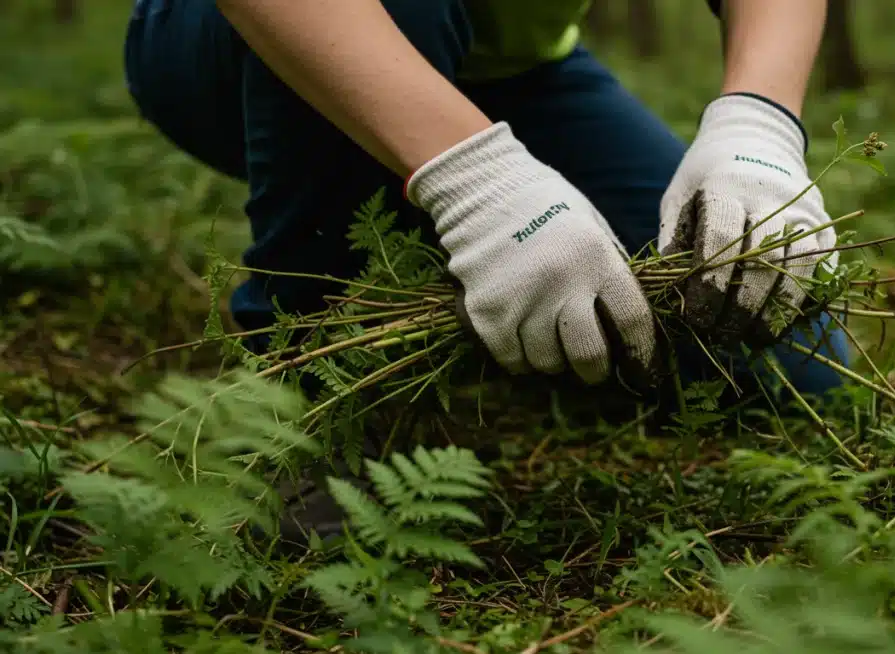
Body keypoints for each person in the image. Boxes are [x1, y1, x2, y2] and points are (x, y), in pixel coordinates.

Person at [123, 0, 850, 541]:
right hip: (278, 31)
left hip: (519, 75)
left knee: (778, 348)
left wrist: (758, 124)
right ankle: (317, 406)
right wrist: (475, 179)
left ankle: (485, 283)